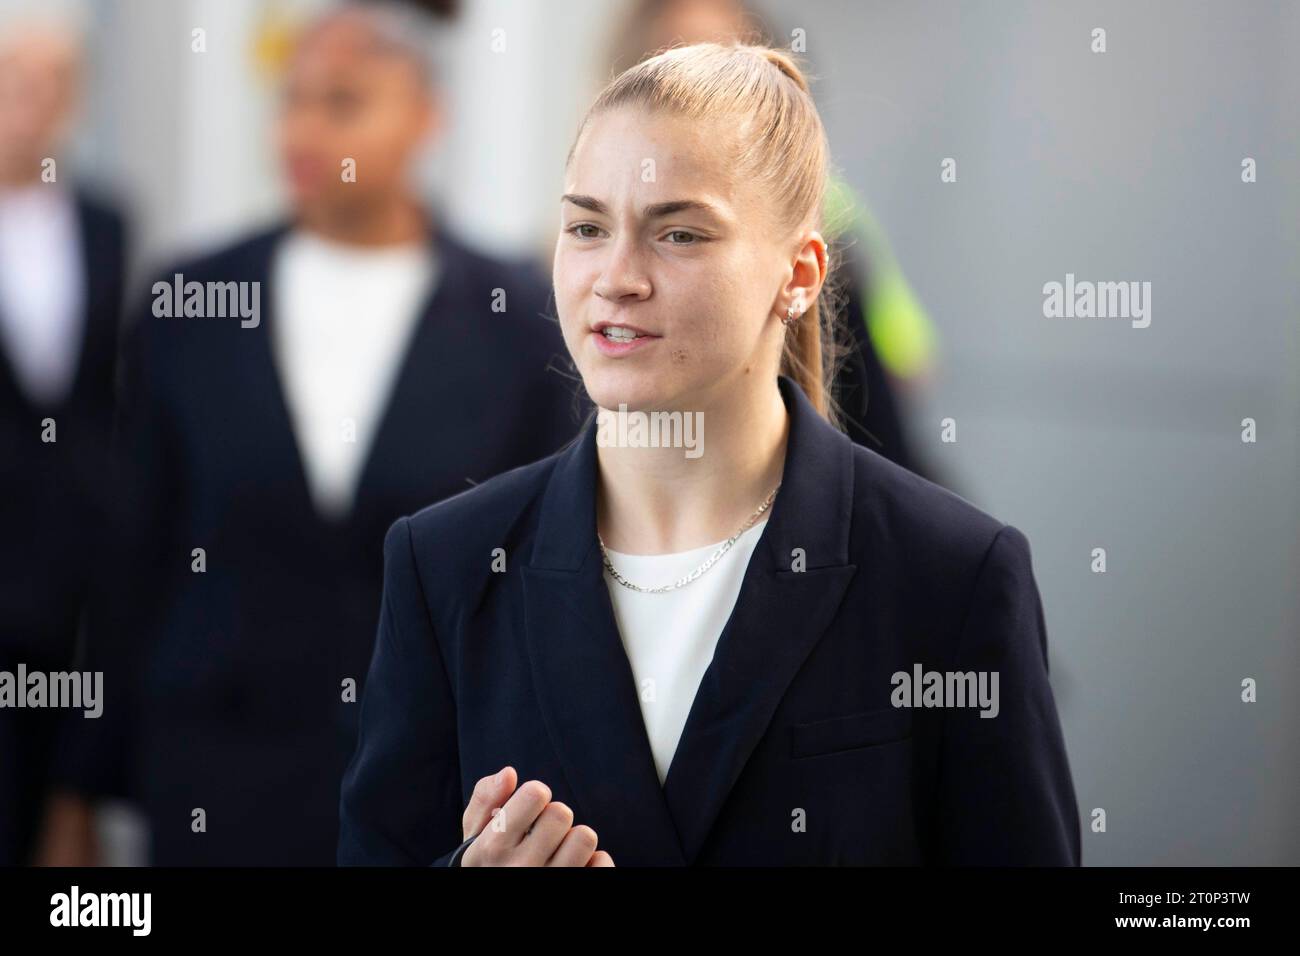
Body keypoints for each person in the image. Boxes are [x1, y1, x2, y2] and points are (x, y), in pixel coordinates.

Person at [338, 41, 1080, 866]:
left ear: (798, 274)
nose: (616, 277)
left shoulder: (952, 576)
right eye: (586, 225)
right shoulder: (446, 566)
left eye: (680, 234)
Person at [40, 2, 581, 866]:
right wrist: (77, 790)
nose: (302, 127)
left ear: (423, 117)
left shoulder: (517, 318)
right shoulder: (190, 304)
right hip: (217, 785)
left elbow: (543, 578)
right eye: (290, 100)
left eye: (343, 101)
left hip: (434, 792)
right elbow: (130, 562)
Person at [0, 16, 128, 866]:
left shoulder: (103, 221)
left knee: (53, 770)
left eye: (53, 83)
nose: (32, 102)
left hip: (69, 550)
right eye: (16, 79)